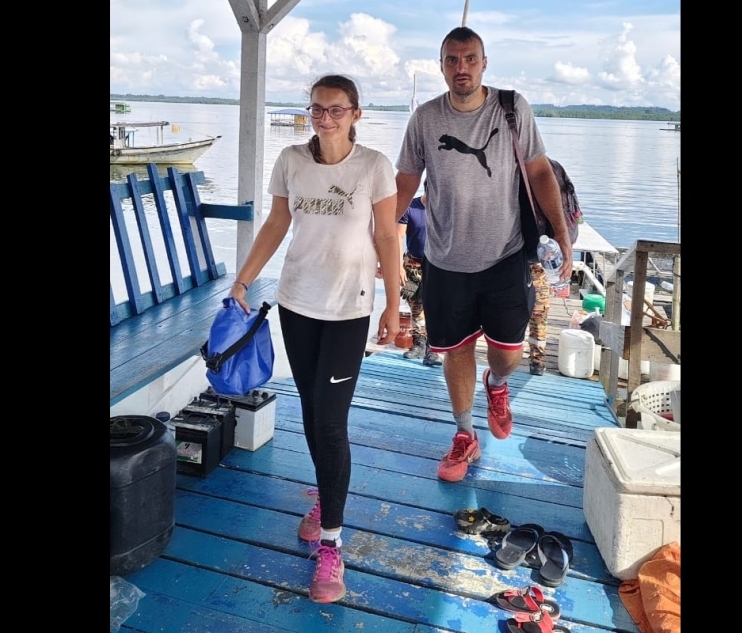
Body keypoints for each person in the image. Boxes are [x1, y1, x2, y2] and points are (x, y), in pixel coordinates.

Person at [228, 74, 399, 603]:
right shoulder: (290, 161)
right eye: (317, 109)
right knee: (310, 410)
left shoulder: (374, 165)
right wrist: (243, 278)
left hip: (349, 309)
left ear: (356, 113)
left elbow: (388, 235)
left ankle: (331, 545)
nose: (324, 118)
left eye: (336, 110)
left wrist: (395, 302)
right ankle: (328, 498)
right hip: (298, 303)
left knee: (330, 420)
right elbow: (277, 223)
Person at [394, 26, 573, 482]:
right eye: (452, 60)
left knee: (507, 353)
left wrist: (562, 234)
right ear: (441, 65)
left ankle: (497, 386)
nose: (461, 68)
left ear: (484, 62)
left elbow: (539, 172)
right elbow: (406, 181)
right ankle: (463, 434)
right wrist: (383, 235)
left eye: (470, 58)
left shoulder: (513, 108)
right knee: (455, 351)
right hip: (446, 259)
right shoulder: (426, 119)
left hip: (505, 255)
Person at [392, 179, 442, 367]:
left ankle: (433, 349)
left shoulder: (444, 210)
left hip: (437, 264)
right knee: (414, 303)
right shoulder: (410, 207)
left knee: (435, 306)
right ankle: (418, 342)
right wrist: (397, 266)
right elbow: (398, 236)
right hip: (413, 263)